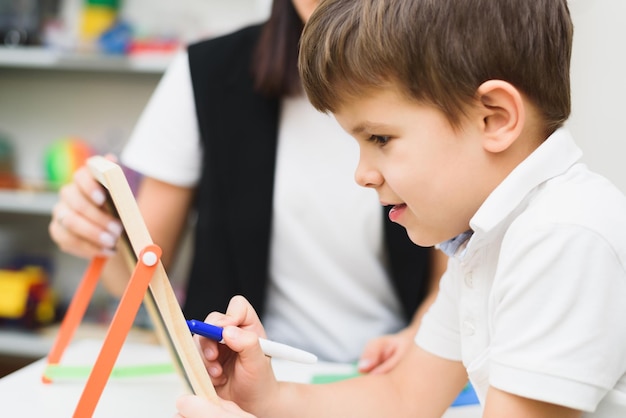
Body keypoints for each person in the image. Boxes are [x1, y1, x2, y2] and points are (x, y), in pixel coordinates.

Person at [174, 0, 626, 417]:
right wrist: (270, 399)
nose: (362, 174)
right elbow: (403, 397)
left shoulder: (562, 236)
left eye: (380, 139)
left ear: (495, 118)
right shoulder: (489, 240)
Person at [48, 0, 446, 368]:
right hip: (238, 382)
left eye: (380, 139)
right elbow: (136, 277)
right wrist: (94, 229)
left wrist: (424, 340)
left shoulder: (444, 72)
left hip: (390, 380)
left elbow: (456, 272)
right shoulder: (207, 72)